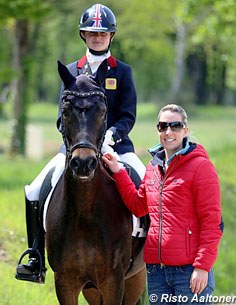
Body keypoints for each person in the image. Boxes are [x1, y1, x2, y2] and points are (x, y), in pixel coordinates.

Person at [15, 3, 145, 283]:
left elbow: (128, 114)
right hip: (75, 147)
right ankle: (36, 256)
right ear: (83, 35)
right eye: (91, 32)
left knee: (145, 181)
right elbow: (62, 118)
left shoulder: (122, 72)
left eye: (102, 33)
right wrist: (73, 140)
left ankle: (152, 251)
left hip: (117, 145)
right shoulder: (71, 70)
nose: (97, 37)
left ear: (111, 36)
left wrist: (112, 136)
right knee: (35, 188)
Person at [102, 104, 224, 305]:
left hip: (189, 273)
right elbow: (137, 205)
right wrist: (118, 171)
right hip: (157, 272)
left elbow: (212, 223)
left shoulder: (201, 167)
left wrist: (202, 267)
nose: (169, 132)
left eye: (175, 126)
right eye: (163, 126)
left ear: (185, 130)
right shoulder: (152, 168)